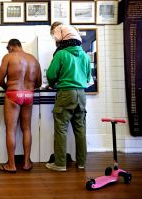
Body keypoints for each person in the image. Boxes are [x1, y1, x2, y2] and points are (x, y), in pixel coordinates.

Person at [45, 22, 92, 171]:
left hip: (66, 93)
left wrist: (53, 83)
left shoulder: (61, 54)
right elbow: (88, 78)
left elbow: (51, 75)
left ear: (62, 38)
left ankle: (60, 163)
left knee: (61, 128)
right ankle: (81, 162)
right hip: (81, 94)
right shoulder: (84, 55)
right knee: (80, 128)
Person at [0, 39, 42, 173]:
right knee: (26, 129)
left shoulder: (9, 57)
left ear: (10, 47)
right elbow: (38, 83)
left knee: (11, 130)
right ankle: (27, 163)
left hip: (13, 94)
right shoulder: (33, 59)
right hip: (28, 95)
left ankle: (11, 165)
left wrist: (8, 88)